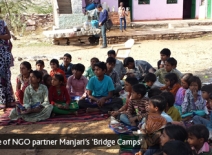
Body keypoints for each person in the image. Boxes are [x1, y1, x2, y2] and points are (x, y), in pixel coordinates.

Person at [0, 19, 15, 110]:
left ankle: (8, 100)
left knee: (6, 75)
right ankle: (3, 101)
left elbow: (8, 36)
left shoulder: (2, 22)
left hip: (4, 53)